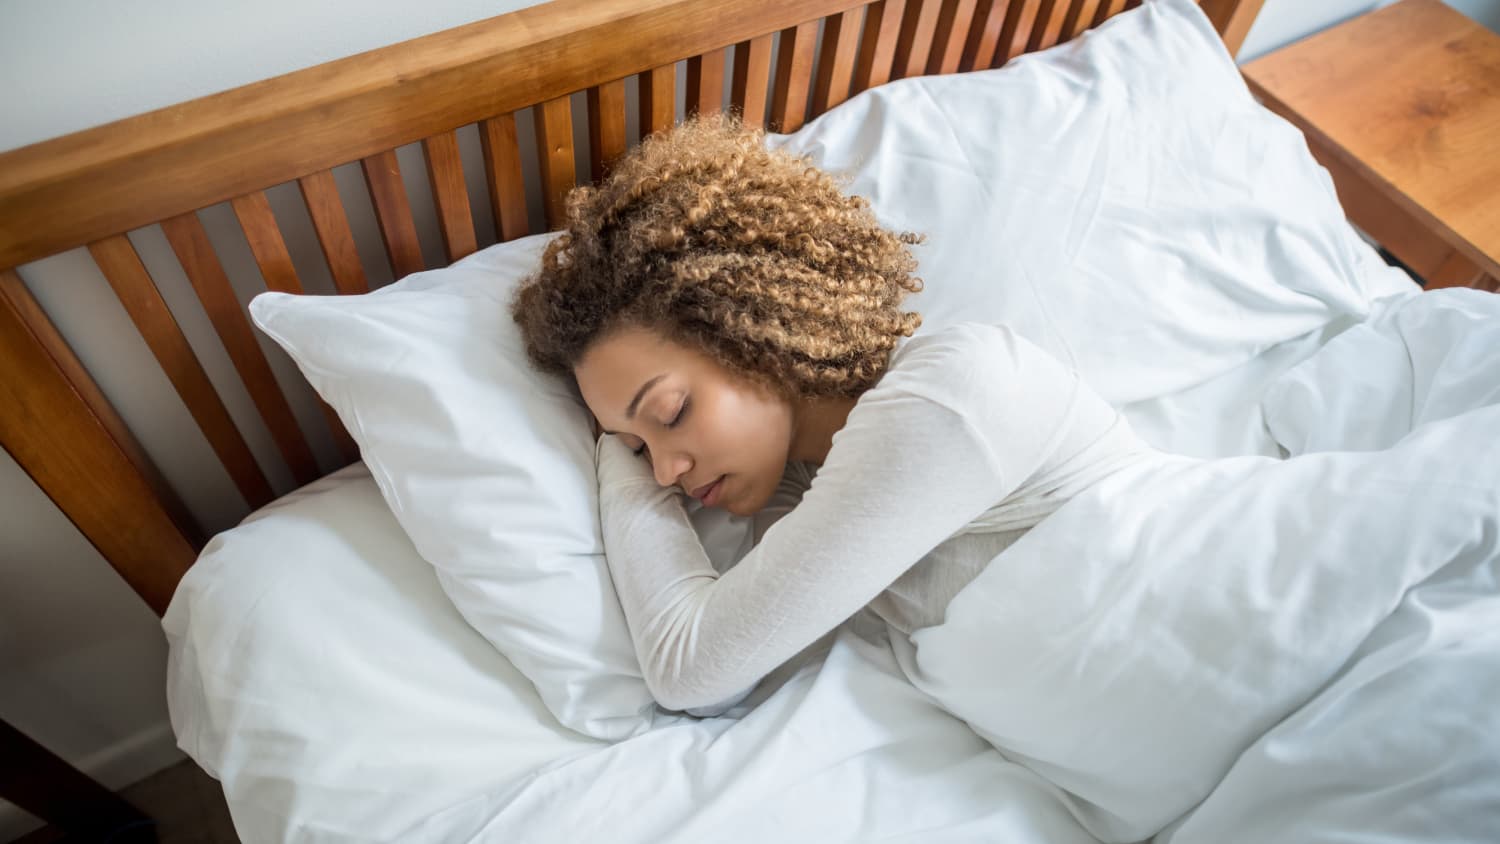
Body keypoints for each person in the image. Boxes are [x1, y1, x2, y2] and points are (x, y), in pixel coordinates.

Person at [511, 113, 1157, 714]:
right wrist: (620, 449)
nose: (663, 472)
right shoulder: (800, 489)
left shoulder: (947, 397)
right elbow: (722, 687)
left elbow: (689, 669)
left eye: (671, 412)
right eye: (635, 447)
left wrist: (616, 469)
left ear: (753, 327)